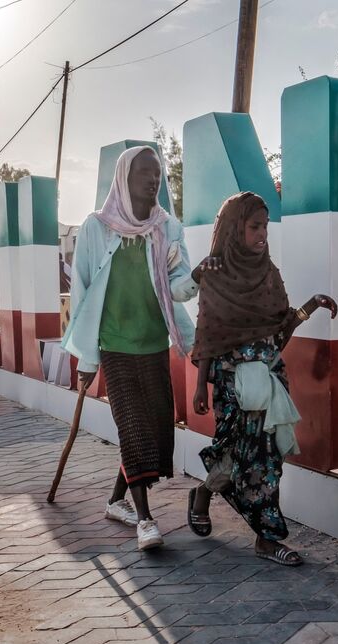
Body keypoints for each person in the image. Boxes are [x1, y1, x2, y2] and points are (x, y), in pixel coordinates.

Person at [60, 145, 219, 551]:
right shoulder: (97, 228)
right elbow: (81, 294)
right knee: (132, 427)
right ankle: (146, 520)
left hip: (153, 344)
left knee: (153, 430)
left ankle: (116, 500)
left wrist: (198, 274)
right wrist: (87, 358)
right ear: (124, 179)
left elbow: (179, 287)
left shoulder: (166, 228)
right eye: (143, 173)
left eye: (157, 173)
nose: (153, 180)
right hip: (113, 346)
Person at [188, 192, 338, 566]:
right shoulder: (215, 272)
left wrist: (311, 305)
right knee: (233, 457)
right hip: (230, 382)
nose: (262, 235)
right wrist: (199, 385)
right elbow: (206, 331)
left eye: (265, 227)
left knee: (267, 460)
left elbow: (279, 332)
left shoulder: (268, 272)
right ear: (234, 228)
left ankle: (267, 538)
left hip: (269, 381)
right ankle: (204, 493)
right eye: (255, 227)